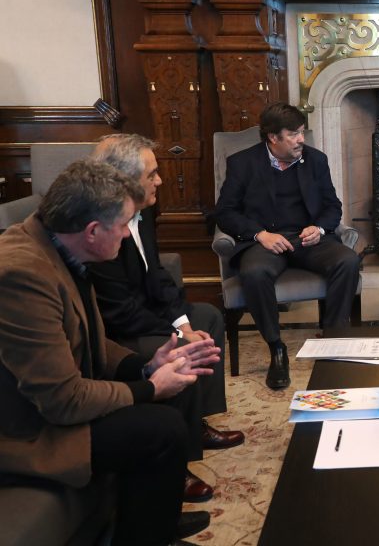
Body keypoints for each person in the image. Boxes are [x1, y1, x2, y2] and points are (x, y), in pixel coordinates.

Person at [0, 159, 222, 546]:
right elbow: (63, 401)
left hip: (53, 405)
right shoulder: (22, 275)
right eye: (123, 225)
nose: (125, 234)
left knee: (169, 398)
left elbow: (86, 337)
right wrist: (150, 387)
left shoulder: (58, 245)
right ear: (92, 231)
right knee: (161, 428)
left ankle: (158, 524)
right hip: (28, 431)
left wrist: (146, 365)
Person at [88, 134, 245, 502]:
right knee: (179, 350)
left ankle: (198, 421)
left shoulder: (144, 214)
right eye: (152, 174)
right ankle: (178, 464)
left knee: (208, 317)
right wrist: (178, 335)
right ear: (124, 180)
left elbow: (157, 274)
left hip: (146, 310)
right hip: (118, 331)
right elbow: (119, 312)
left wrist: (184, 324)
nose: (159, 181)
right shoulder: (102, 226)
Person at [215, 102, 361, 389]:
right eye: (293, 134)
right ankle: (276, 348)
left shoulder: (316, 160)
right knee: (254, 273)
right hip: (266, 242)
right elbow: (225, 213)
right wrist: (260, 234)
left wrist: (319, 228)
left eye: (302, 132)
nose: (301, 139)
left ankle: (333, 340)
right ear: (273, 137)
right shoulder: (242, 163)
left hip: (308, 240)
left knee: (348, 260)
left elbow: (333, 206)